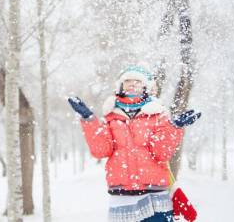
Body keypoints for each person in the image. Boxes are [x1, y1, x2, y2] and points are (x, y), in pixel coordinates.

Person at [67, 65, 201, 222]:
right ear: (120, 86)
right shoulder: (111, 116)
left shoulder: (158, 114)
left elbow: (161, 153)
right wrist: (89, 119)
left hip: (154, 193)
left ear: (146, 87)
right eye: (128, 81)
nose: (132, 84)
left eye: (137, 81)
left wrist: (174, 128)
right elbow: (101, 150)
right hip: (122, 195)